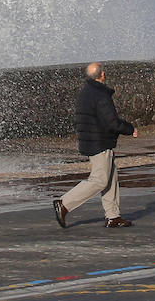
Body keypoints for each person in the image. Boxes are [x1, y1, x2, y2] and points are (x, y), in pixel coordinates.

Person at [53, 62, 138, 229]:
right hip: (99, 142)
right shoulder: (100, 95)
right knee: (99, 180)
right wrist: (130, 129)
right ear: (103, 75)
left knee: (110, 178)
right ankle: (64, 204)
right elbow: (111, 122)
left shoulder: (85, 92)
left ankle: (113, 216)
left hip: (92, 140)